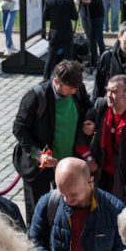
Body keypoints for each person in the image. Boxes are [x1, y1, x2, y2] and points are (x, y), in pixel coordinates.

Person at [13, 60, 94, 220]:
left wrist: (88, 123)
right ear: (56, 81)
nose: (73, 91)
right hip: (39, 168)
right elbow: (19, 128)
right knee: (38, 213)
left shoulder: (77, 89)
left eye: (76, 87)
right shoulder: (36, 97)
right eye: (69, 88)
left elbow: (88, 108)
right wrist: (38, 154)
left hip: (67, 164)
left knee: (69, 211)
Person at [44, 0, 79, 80]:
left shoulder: (49, 1)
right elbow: (75, 17)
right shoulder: (69, 1)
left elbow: (45, 17)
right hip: (67, 33)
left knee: (50, 58)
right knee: (68, 58)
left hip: (54, 33)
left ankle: (45, 78)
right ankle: (68, 78)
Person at [77, 0, 106, 67]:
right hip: (86, 15)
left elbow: (98, 0)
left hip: (97, 15)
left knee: (99, 38)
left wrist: (90, 1)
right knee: (90, 38)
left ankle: (104, 60)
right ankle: (93, 60)